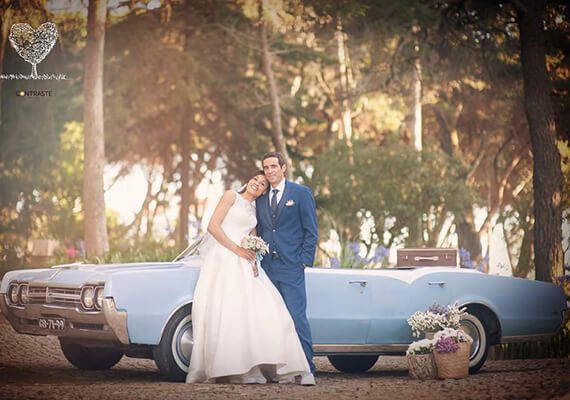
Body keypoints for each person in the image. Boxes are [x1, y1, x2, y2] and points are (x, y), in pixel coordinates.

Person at [186, 171, 310, 384]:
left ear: (264, 191)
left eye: (262, 184)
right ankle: (228, 367)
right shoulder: (230, 196)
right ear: (248, 181)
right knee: (226, 309)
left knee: (266, 307)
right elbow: (213, 226)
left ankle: (262, 363)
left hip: (244, 261)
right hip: (223, 258)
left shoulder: (256, 211)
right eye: (255, 179)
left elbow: (252, 237)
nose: (257, 183)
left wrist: (254, 260)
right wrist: (237, 250)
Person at [255, 152, 318, 386]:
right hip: (267, 268)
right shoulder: (260, 198)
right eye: (265, 167)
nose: (269, 171)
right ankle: (282, 371)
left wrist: (303, 260)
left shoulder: (301, 193)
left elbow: (311, 230)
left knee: (297, 317)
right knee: (273, 319)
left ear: (283, 167)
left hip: (292, 267)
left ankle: (307, 370)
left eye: (273, 166)